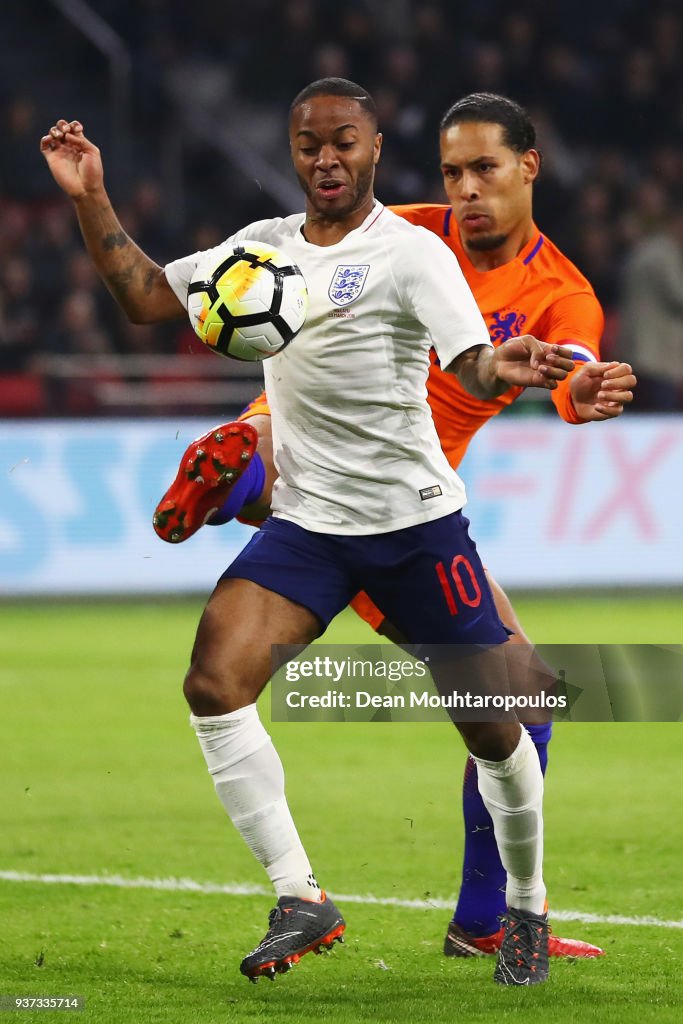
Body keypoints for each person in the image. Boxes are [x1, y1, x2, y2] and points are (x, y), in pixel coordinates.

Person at [42, 78, 577, 987]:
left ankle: (523, 904)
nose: (325, 159)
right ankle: (301, 896)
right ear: (292, 152)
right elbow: (143, 299)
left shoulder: (412, 254)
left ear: (373, 148)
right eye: (307, 144)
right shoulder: (258, 252)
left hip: (415, 528)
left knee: (499, 726)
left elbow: (471, 363)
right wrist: (92, 197)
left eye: (343, 142)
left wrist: (511, 366)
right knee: (214, 681)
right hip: (312, 528)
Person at [152, 93, 636, 958]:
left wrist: (578, 389)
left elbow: (569, 369)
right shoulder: (409, 233)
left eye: (484, 169)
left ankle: (249, 468)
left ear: (530, 166)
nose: (464, 191)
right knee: (520, 707)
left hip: (406, 502)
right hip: (343, 486)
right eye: (451, 172)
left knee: (523, 705)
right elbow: (308, 249)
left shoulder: (560, 291)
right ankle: (489, 921)